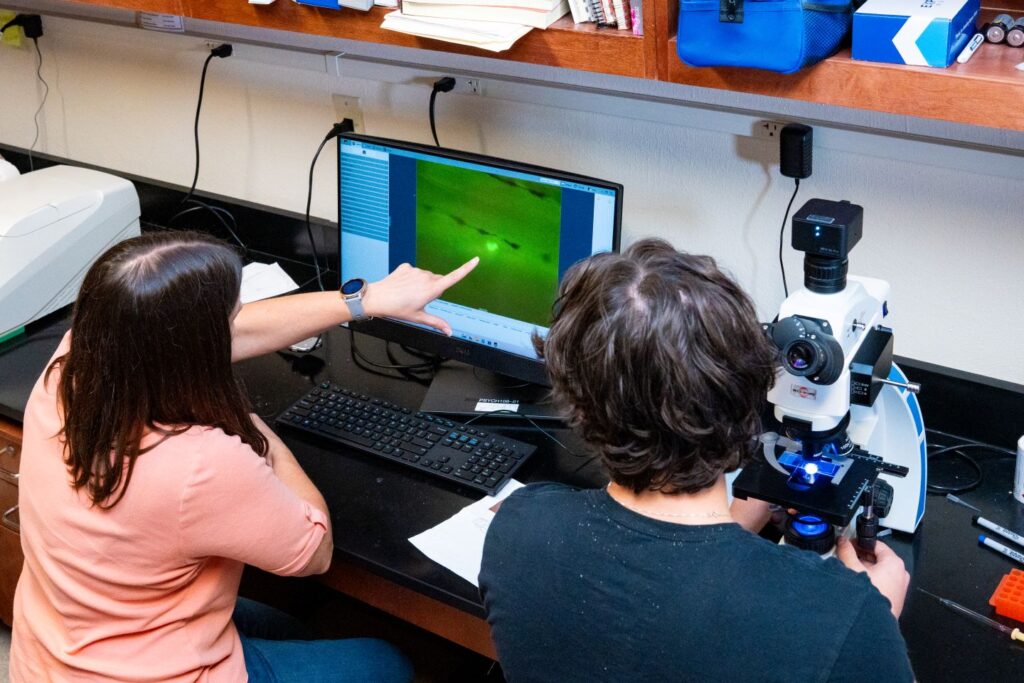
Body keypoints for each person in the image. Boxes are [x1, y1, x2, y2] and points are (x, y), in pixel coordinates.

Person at [10, 230, 478, 682]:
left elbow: (230, 333)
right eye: (231, 315)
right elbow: (314, 551)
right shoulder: (200, 461)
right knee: (387, 661)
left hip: (58, 649)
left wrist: (362, 301)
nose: (240, 321)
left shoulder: (74, 366)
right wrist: (249, 426)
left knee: (293, 629)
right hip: (147, 673)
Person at [479, 239, 913, 682]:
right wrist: (879, 618)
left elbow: (666, 585)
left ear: (577, 402)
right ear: (750, 400)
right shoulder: (845, 619)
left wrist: (741, 516)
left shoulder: (518, 527)